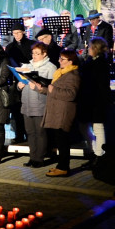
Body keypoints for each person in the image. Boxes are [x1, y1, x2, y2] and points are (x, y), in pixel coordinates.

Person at [37, 49, 81, 177]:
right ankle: (61, 166)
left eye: (62, 59)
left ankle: (63, 167)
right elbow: (53, 90)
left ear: (70, 61)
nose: (59, 61)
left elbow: (71, 95)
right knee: (60, 141)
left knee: (63, 141)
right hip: (57, 111)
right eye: (59, 58)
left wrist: (52, 89)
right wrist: (42, 89)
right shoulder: (61, 73)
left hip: (64, 113)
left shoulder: (73, 75)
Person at [16, 41, 58, 168]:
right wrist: (19, 85)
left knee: (40, 132)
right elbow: (21, 84)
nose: (34, 56)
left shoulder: (50, 67)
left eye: (37, 53)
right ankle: (32, 157)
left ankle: (39, 158)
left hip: (40, 104)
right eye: (33, 53)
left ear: (44, 54)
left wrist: (39, 86)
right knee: (30, 132)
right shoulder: (27, 66)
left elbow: (51, 88)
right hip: (27, 104)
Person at [76, 37, 111, 169]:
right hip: (88, 99)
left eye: (90, 47)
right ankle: (93, 152)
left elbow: (102, 85)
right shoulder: (91, 61)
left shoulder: (101, 63)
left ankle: (99, 155)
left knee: (98, 128)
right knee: (84, 126)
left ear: (96, 48)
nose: (88, 49)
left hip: (96, 100)